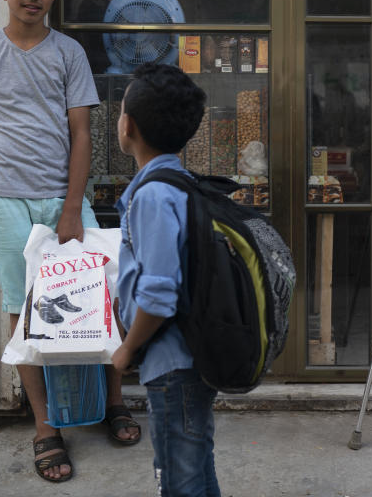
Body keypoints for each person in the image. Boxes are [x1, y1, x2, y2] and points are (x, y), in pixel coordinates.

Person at [0, 0, 140, 483]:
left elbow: (82, 134)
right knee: (23, 309)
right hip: (4, 200)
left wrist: (73, 208)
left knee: (101, 297)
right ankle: (46, 427)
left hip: (62, 198)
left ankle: (115, 401)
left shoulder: (69, 52)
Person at [110, 63, 217, 497]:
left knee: (179, 480)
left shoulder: (153, 194)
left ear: (128, 125)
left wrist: (127, 350)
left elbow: (158, 295)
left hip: (173, 364)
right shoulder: (181, 182)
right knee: (195, 468)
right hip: (192, 358)